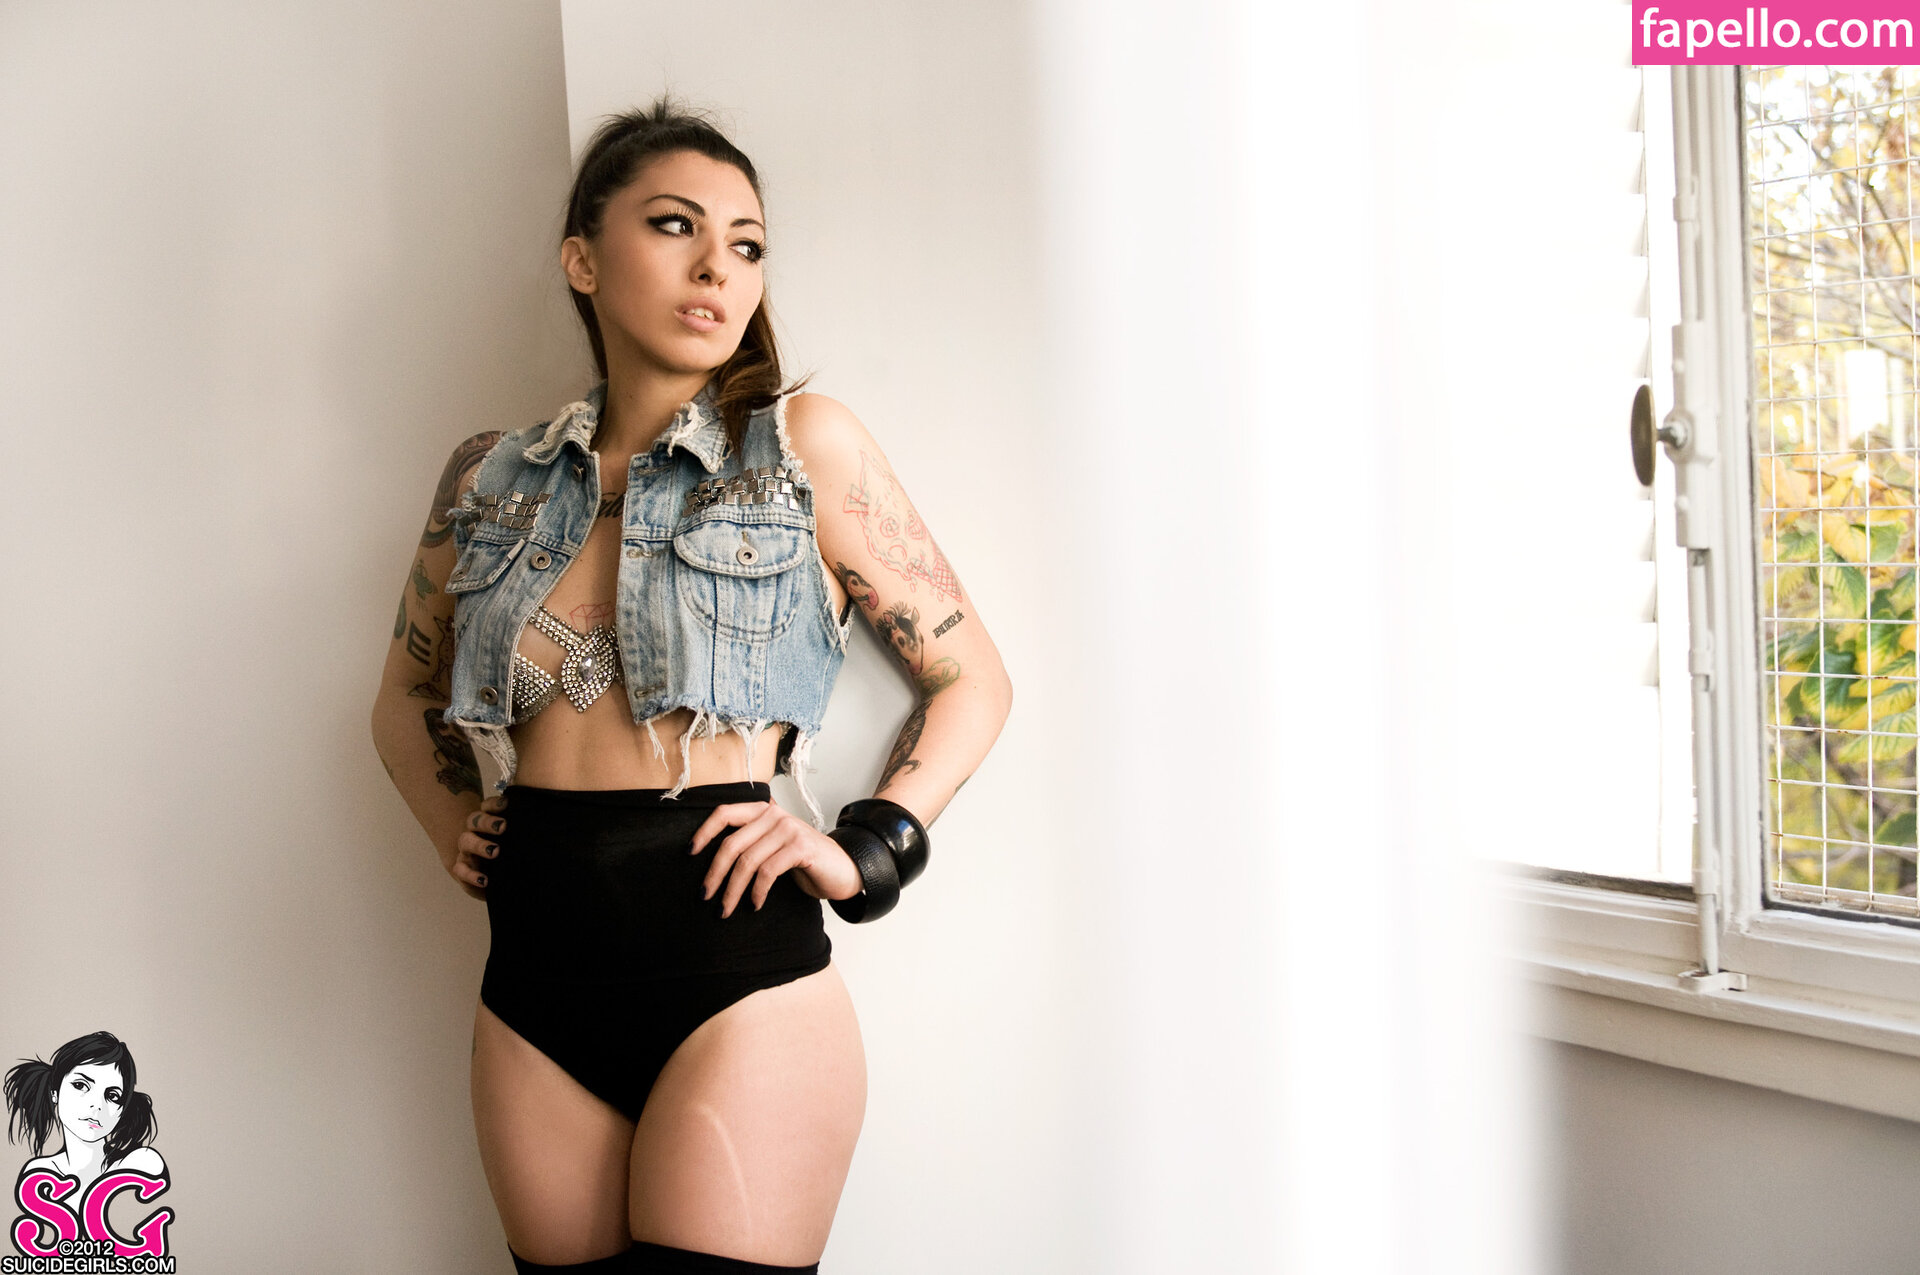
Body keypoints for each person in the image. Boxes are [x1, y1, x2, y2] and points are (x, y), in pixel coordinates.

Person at [370, 96, 1012, 1274]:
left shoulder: (803, 447)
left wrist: (868, 852)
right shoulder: (487, 477)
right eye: (675, 225)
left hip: (737, 977)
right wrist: (456, 822)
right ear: (582, 258)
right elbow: (401, 704)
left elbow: (970, 679)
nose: (720, 266)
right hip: (533, 980)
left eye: (748, 243)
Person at [4, 1031, 166, 1198]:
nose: (97, 1105)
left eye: (112, 1096)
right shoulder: (40, 1173)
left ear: (122, 1109)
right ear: (55, 1092)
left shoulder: (141, 1163)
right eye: (80, 1085)